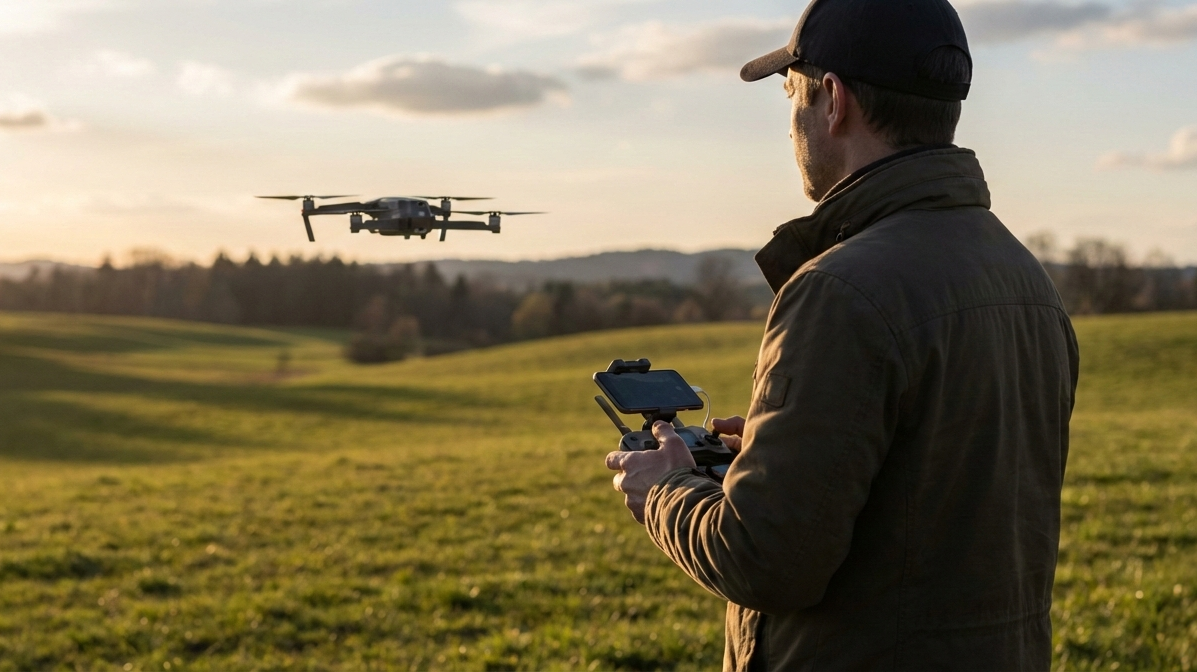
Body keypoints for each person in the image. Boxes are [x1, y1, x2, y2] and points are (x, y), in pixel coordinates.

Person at [603, 0, 1080, 668]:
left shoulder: (839, 290)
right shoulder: (1022, 277)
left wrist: (664, 492)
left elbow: (766, 562)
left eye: (790, 94)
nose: (790, 122)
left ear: (833, 100)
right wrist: (779, 458)